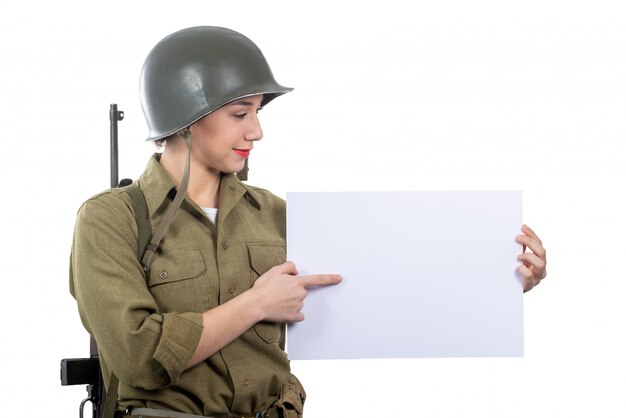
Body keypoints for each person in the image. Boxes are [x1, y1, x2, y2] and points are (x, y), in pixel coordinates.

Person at [70, 26, 547, 418]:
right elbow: (139, 357)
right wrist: (255, 305)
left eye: (256, 113)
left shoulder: (276, 215)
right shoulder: (110, 220)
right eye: (240, 114)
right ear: (187, 118)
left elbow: (384, 295)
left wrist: (501, 285)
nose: (256, 131)